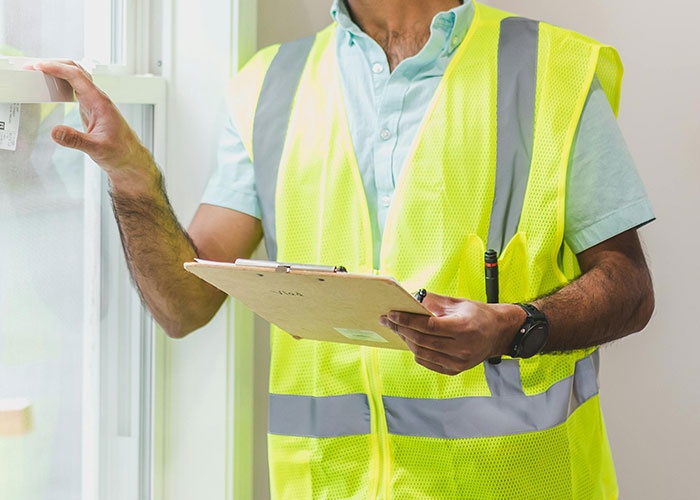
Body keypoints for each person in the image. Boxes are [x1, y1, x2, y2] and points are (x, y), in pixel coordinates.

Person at [32, 0, 655, 498]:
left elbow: (628, 286)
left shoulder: (553, 69)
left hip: (519, 483)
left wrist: (515, 327)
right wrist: (134, 180)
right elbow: (184, 306)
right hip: (329, 486)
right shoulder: (268, 84)